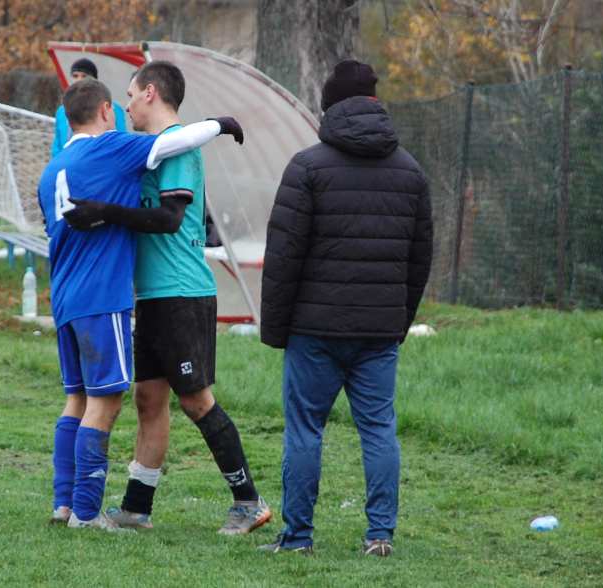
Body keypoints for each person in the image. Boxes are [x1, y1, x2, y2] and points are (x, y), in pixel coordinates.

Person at [64, 60, 271, 535]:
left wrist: (106, 213)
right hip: (155, 296)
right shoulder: (150, 149)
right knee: (148, 399)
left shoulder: (180, 149)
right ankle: (137, 507)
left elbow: (169, 218)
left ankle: (248, 501)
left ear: (151, 92)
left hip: (181, 293)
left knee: (196, 401)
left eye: (132, 94)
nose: (127, 104)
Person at [257, 60, 433, 557]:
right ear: (377, 103)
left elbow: (283, 256)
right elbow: (420, 260)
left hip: (314, 329)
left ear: (329, 107)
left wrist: (276, 329)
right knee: (378, 430)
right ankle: (379, 535)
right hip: (379, 330)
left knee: (305, 430)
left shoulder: (307, 166)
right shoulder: (411, 172)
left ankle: (298, 538)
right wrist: (398, 320)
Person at [51, 58, 128, 157]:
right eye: (75, 76)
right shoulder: (62, 111)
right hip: (68, 164)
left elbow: (121, 139)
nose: (79, 80)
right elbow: (57, 146)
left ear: (94, 80)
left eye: (84, 76)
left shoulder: (112, 108)